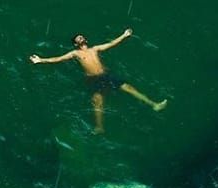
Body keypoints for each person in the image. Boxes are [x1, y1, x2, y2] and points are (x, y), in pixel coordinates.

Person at [29, 28, 167, 134]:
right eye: (78, 38)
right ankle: (99, 127)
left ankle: (154, 104)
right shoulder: (75, 54)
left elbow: (111, 44)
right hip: (93, 79)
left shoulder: (94, 49)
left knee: (129, 88)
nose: (80, 38)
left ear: (85, 41)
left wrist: (124, 35)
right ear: (75, 44)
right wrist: (41, 60)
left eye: (81, 37)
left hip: (106, 75)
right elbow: (58, 58)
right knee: (98, 101)